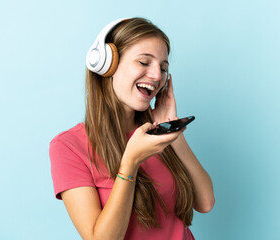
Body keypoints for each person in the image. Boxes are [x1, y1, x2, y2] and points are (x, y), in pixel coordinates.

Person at [49, 17, 215, 240]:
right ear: (108, 65)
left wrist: (171, 129)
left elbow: (205, 202)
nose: (157, 76)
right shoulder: (69, 147)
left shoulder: (156, 133)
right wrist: (130, 163)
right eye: (144, 62)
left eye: (163, 68)